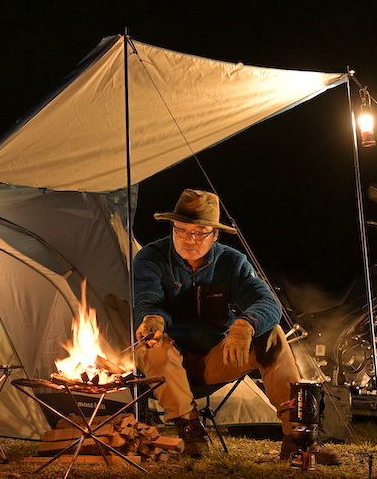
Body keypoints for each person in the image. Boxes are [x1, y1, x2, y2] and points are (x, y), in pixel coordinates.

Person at [132, 188, 338, 464]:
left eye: (199, 232)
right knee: (154, 344)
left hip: (215, 361)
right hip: (167, 367)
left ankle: (298, 439)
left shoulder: (231, 261)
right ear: (172, 227)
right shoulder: (150, 257)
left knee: (271, 334)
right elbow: (148, 302)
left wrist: (244, 326)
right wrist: (152, 320)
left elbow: (268, 302)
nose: (189, 240)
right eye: (181, 230)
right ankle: (190, 430)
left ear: (215, 234)